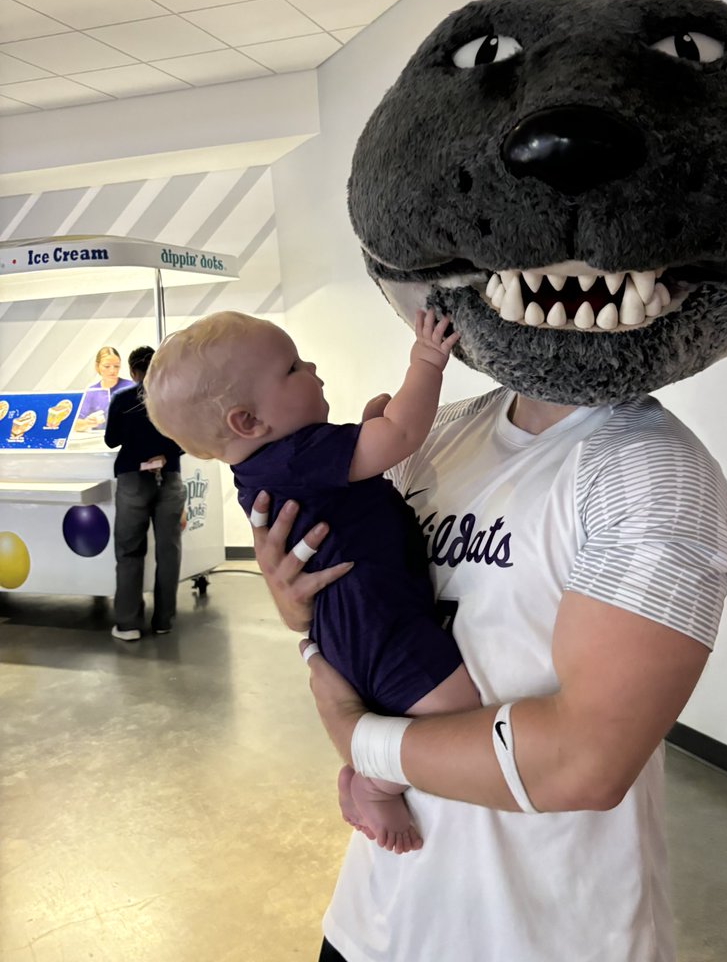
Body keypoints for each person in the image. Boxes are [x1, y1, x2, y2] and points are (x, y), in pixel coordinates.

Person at [252, 383, 727, 962]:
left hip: (543, 930)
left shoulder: (654, 470)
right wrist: (298, 604)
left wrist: (362, 743)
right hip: (380, 912)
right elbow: (367, 603)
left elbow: (586, 765)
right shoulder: (437, 431)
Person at [143, 309, 482, 853]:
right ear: (248, 421)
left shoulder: (271, 464)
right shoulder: (299, 459)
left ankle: (364, 776)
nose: (313, 367)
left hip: (353, 618)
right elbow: (400, 435)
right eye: (293, 367)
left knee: (421, 712)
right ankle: (375, 781)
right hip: (375, 620)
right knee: (457, 718)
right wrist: (426, 361)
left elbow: (367, 461)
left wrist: (370, 430)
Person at [104, 346, 184, 641]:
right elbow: (187, 440)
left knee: (129, 551)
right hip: (170, 478)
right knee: (169, 551)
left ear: (133, 372)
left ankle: (128, 625)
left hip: (132, 479)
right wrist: (162, 454)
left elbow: (111, 439)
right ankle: (164, 620)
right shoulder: (175, 399)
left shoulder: (122, 399)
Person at [73, 346, 134, 433]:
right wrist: (87, 423)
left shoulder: (131, 387)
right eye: (107, 366)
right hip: (100, 442)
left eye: (116, 366)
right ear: (97, 366)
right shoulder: (92, 392)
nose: (112, 370)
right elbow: (75, 424)